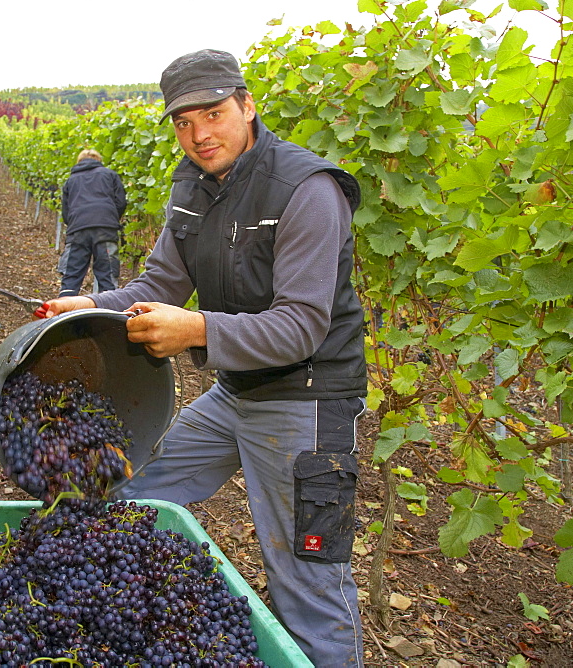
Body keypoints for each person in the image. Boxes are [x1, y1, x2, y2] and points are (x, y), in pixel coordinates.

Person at [40, 49, 367, 666]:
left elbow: (300, 326)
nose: (199, 135)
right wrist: (89, 307)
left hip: (307, 397)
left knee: (305, 581)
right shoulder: (192, 190)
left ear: (247, 106)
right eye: (184, 123)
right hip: (237, 391)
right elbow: (156, 287)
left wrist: (194, 330)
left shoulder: (307, 190)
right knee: (125, 485)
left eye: (213, 114)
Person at [57, 149, 127, 297]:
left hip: (78, 229)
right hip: (105, 229)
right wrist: (110, 218)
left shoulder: (71, 180)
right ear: (98, 160)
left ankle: (64, 314)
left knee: (71, 277)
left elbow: (65, 210)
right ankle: (107, 316)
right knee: (108, 277)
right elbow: (121, 202)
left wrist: (75, 224)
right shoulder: (110, 175)